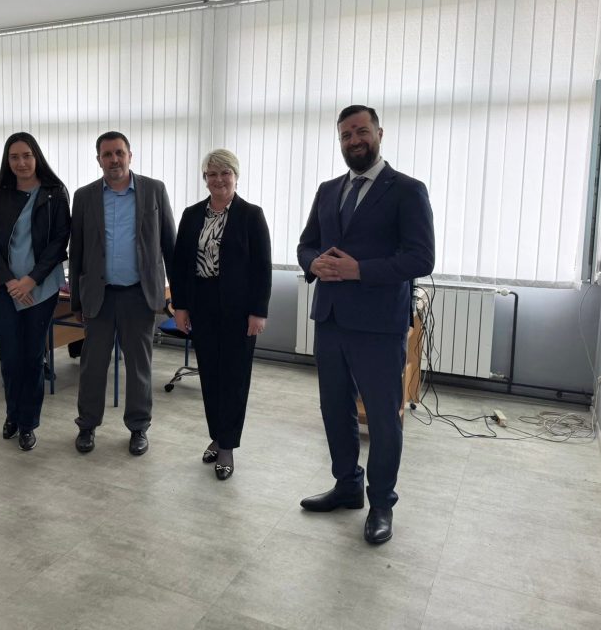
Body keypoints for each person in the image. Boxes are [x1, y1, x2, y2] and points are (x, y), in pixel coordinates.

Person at [296, 104, 435, 545]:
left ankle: (381, 504)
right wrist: (313, 263)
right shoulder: (327, 190)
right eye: (345, 135)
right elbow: (305, 245)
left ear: (379, 133)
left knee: (382, 419)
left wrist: (359, 270)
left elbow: (421, 258)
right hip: (331, 319)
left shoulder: (407, 190)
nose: (353, 140)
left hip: (378, 325)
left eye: (361, 131)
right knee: (334, 410)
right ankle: (347, 486)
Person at [69, 131, 175, 456]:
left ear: (130, 155)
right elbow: (78, 252)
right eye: (107, 154)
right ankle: (87, 425)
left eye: (119, 152)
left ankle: (139, 427)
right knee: (92, 366)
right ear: (98, 159)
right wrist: (77, 301)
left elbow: (169, 245)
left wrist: (178, 297)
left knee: (139, 366)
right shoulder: (84, 196)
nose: (114, 159)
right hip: (99, 296)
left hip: (138, 295)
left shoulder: (154, 190)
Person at [170, 149, 272, 481]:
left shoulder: (251, 215)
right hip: (201, 304)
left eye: (225, 172)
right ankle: (216, 435)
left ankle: (227, 445)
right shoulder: (191, 215)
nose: (218, 179)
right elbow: (180, 264)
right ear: (205, 179)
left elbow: (262, 268)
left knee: (234, 377)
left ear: (235, 176)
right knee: (211, 376)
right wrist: (180, 306)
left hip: (239, 310)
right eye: (212, 174)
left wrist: (258, 311)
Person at [0, 133, 71, 451]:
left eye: (27, 155)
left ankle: (28, 423)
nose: (21, 162)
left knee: (32, 357)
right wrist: (9, 282)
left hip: (40, 288)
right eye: (14, 157)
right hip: (3, 288)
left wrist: (31, 280)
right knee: (9, 355)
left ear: (37, 157)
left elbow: (60, 241)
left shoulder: (55, 192)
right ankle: (13, 414)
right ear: (7, 161)